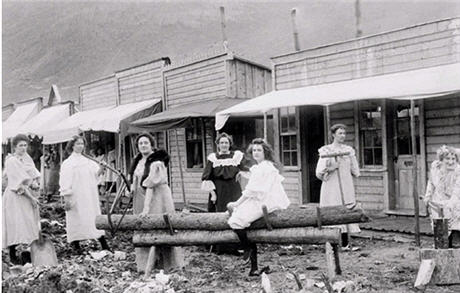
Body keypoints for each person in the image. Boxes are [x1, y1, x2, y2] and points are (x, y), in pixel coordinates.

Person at [227, 138, 290, 276]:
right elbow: (253, 187)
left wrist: (237, 203)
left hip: (265, 201)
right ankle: (254, 268)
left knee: (236, 221)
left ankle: (247, 248)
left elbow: (253, 190)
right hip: (260, 198)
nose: (256, 153)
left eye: (259, 150)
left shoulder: (266, 167)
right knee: (244, 225)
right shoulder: (259, 167)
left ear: (265, 152)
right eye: (254, 150)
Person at [128, 132, 184, 272]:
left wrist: (147, 208)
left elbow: (151, 184)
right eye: (140, 143)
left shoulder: (157, 161)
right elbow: (135, 178)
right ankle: (145, 263)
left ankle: (166, 264)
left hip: (158, 197)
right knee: (143, 228)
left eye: (146, 142)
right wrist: (131, 188)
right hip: (140, 197)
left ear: (151, 144)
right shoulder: (138, 160)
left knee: (159, 226)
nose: (143, 145)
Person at [59, 135, 109, 253]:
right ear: (72, 146)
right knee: (76, 217)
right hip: (75, 195)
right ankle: (75, 244)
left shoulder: (88, 161)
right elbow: (65, 181)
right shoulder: (68, 163)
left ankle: (103, 242)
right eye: (77, 144)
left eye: (82, 144)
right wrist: (66, 197)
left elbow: (95, 175)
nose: (80, 146)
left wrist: (101, 168)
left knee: (93, 215)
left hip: (89, 194)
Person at [201, 133, 248, 254]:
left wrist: (240, 173)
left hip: (234, 189)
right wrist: (213, 194)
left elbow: (246, 170)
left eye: (226, 143)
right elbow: (206, 177)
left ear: (229, 144)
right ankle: (220, 247)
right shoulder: (213, 158)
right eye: (221, 143)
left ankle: (236, 246)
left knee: (236, 214)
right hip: (219, 190)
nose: (224, 145)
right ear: (218, 144)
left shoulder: (236, 156)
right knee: (220, 216)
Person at [316, 124, 360, 248]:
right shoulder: (326, 151)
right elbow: (319, 172)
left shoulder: (348, 150)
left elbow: (355, 169)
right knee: (333, 209)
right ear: (333, 135)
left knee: (346, 208)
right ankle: (332, 242)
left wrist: (354, 170)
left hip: (345, 184)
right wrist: (331, 168)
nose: (343, 136)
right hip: (332, 186)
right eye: (340, 133)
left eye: (344, 133)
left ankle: (346, 243)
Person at [2, 134, 41, 265]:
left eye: (25, 145)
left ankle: (27, 253)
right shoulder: (11, 161)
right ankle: (12, 253)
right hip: (15, 195)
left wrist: (36, 183)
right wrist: (31, 197)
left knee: (28, 222)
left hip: (27, 194)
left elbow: (33, 174)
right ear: (14, 147)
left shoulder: (26, 159)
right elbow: (18, 183)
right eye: (20, 146)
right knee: (16, 222)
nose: (23, 148)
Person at [424, 145, 460, 248]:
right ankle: (441, 244)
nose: (450, 162)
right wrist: (428, 196)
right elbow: (431, 183)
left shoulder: (458, 171)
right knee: (439, 229)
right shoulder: (435, 168)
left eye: (453, 159)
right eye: (447, 159)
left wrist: (450, 204)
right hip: (439, 199)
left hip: (455, 202)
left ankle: (455, 240)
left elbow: (457, 191)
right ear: (441, 159)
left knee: (454, 232)